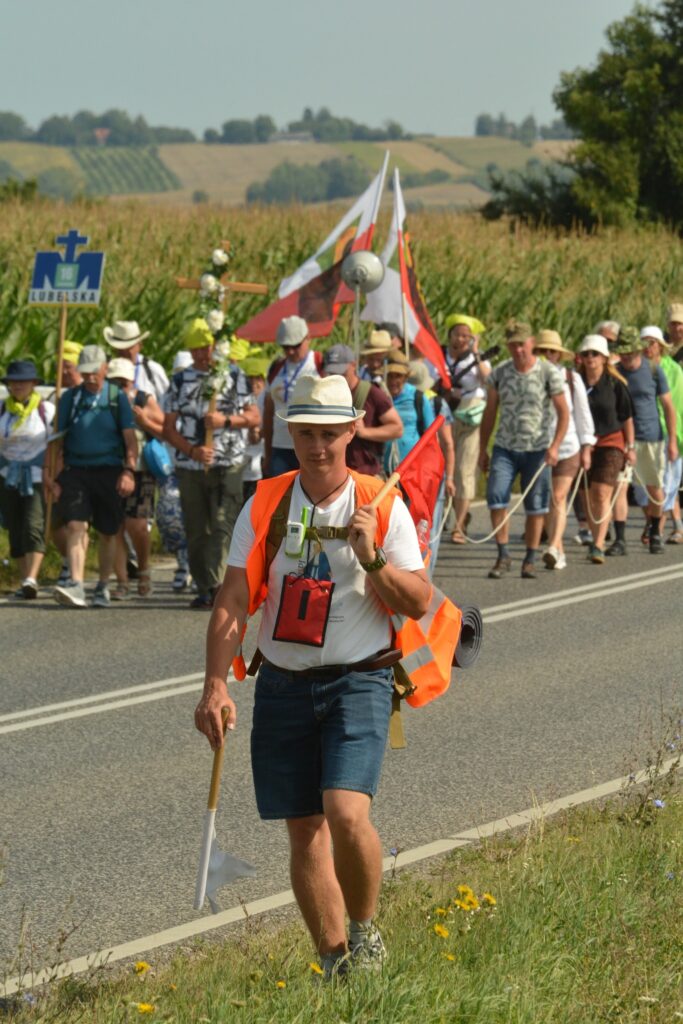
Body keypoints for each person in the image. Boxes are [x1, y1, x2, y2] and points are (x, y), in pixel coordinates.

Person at [194, 373, 430, 976]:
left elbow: (417, 601)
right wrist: (216, 684)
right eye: (305, 434)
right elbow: (233, 600)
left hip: (359, 680)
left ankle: (365, 933)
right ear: (288, 433)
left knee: (346, 813)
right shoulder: (266, 503)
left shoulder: (381, 502)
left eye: (329, 434)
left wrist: (371, 556)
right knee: (305, 830)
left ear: (352, 431)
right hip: (282, 683)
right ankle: (334, 964)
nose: (318, 446)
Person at [163, 319, 259, 609]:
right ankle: (204, 584)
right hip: (191, 465)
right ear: (190, 352)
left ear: (215, 347)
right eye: (197, 349)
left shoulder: (234, 375)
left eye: (207, 347)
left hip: (229, 461)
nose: (203, 354)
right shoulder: (180, 381)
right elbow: (168, 427)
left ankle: (220, 585)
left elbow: (253, 416)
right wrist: (191, 451)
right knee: (196, 527)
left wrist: (225, 421)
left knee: (222, 523)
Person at [44, 345, 137, 608]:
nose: (90, 378)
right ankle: (76, 583)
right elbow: (56, 439)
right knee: (76, 525)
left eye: (94, 372)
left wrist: (129, 471)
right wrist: (50, 475)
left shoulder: (116, 397)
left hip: (109, 471)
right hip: (75, 471)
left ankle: (103, 585)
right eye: (85, 373)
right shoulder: (71, 398)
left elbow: (130, 439)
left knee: (108, 531)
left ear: (105, 368)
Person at [478, 320, 569, 579]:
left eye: (522, 344)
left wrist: (555, 446)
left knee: (536, 505)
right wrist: (483, 449)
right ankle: (503, 554)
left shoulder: (548, 372)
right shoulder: (500, 373)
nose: (518, 350)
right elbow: (490, 412)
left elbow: (564, 413)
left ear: (531, 343)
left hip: (537, 449)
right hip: (505, 447)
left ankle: (530, 557)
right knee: (496, 497)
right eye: (513, 345)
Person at [611, 326, 678, 554]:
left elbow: (668, 406)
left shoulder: (653, 370)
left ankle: (656, 532)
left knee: (654, 488)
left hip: (651, 437)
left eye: (630, 352)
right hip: (621, 439)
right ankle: (620, 539)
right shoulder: (615, 372)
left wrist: (671, 442)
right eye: (623, 352)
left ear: (639, 350)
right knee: (620, 487)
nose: (627, 357)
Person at [533, 331, 595, 570]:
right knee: (548, 500)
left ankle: (553, 545)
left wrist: (587, 447)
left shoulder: (570, 377)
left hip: (568, 447)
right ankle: (558, 548)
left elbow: (582, 413)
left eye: (552, 351)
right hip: (539, 448)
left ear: (558, 354)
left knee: (559, 497)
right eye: (542, 351)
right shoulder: (531, 377)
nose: (547, 355)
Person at [106, 358, 165, 600]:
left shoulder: (143, 398)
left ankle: (143, 570)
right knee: (115, 526)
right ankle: (121, 581)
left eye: (123, 382)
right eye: (114, 382)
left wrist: (143, 421)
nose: (119, 386)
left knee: (137, 525)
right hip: (109, 467)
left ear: (131, 380)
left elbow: (165, 427)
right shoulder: (103, 400)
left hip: (141, 468)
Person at [577, 335, 635, 563]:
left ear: (604, 358)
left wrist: (630, 447)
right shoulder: (574, 382)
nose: (590, 358)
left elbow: (627, 417)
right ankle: (596, 535)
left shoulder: (615, 384)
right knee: (587, 496)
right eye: (586, 354)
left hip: (611, 442)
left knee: (601, 493)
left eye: (595, 354)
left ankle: (598, 545)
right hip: (583, 443)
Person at [0, 360, 54, 599]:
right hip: (7, 475)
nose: (18, 385)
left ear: (33, 384)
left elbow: (55, 444)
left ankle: (32, 576)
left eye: (23, 381)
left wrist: (53, 473)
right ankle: (25, 581)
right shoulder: (2, 409)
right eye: (14, 381)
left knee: (33, 525)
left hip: (35, 475)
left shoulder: (45, 410)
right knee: (15, 527)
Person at [440, 314, 492, 544]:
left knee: (464, 471)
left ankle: (459, 526)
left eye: (466, 336)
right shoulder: (439, 356)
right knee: (441, 470)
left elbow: (487, 379)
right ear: (449, 335)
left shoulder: (477, 359)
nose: (460, 339)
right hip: (442, 417)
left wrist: (477, 352)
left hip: (470, 418)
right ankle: (441, 518)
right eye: (457, 334)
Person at [321, 343, 402, 476]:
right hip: (336, 476)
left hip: (366, 474)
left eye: (341, 372)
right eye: (332, 372)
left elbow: (397, 428)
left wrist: (365, 432)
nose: (337, 376)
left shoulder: (372, 393)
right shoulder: (328, 393)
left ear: (354, 365)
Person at [262, 316, 321, 477]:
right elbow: (268, 412)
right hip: (280, 447)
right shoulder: (276, 367)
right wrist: (267, 453)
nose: (290, 352)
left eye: (295, 346)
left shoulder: (319, 364)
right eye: (285, 347)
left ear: (308, 338)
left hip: (311, 447)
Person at [639, 326, 683, 543]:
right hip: (643, 433)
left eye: (652, 342)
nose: (649, 347)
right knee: (646, 486)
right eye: (644, 342)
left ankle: (657, 528)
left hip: (668, 432)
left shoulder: (673, 369)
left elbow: (674, 406)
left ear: (660, 346)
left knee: (667, 482)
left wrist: (675, 438)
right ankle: (655, 523)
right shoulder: (636, 369)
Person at [383, 354, 435, 473]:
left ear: (406, 378)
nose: (393, 381)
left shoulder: (418, 398)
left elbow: (431, 435)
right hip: (385, 470)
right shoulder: (380, 397)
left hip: (413, 470)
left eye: (398, 376)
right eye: (390, 376)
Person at [103, 320, 169, 402]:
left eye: (130, 347)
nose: (127, 352)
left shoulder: (152, 370)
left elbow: (167, 403)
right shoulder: (106, 371)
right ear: (114, 349)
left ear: (140, 346)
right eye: (122, 348)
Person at [240, 357, 269, 503]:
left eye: (258, 379)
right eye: (250, 379)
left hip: (260, 465)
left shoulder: (268, 401)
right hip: (241, 465)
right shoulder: (239, 400)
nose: (254, 383)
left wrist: (258, 432)